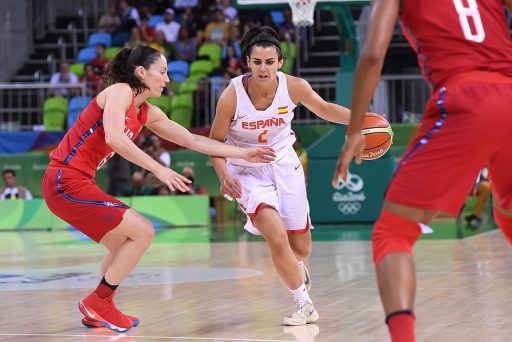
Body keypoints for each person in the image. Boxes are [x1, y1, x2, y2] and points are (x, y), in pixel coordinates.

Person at [41, 45, 276, 332]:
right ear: (142, 72)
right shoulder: (120, 92)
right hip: (64, 180)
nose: (167, 79)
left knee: (122, 246)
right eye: (162, 72)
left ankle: (100, 306)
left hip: (77, 183)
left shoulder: (146, 112)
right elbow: (115, 137)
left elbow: (193, 140)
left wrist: (243, 153)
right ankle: (98, 302)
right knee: (143, 230)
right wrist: (157, 168)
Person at [332, 1, 512, 341]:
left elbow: (372, 55)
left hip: (467, 97)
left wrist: (355, 129)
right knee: (506, 211)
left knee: (393, 232)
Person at [209, 26, 351, 326]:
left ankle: (296, 266)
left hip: (285, 164)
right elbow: (214, 144)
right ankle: (304, 304)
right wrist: (223, 175)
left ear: (280, 63)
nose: (264, 68)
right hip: (247, 172)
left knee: (301, 248)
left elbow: (324, 108)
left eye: (270, 62)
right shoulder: (231, 97)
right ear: (248, 61)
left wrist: (361, 119)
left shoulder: (294, 86)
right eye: (257, 62)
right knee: (275, 236)